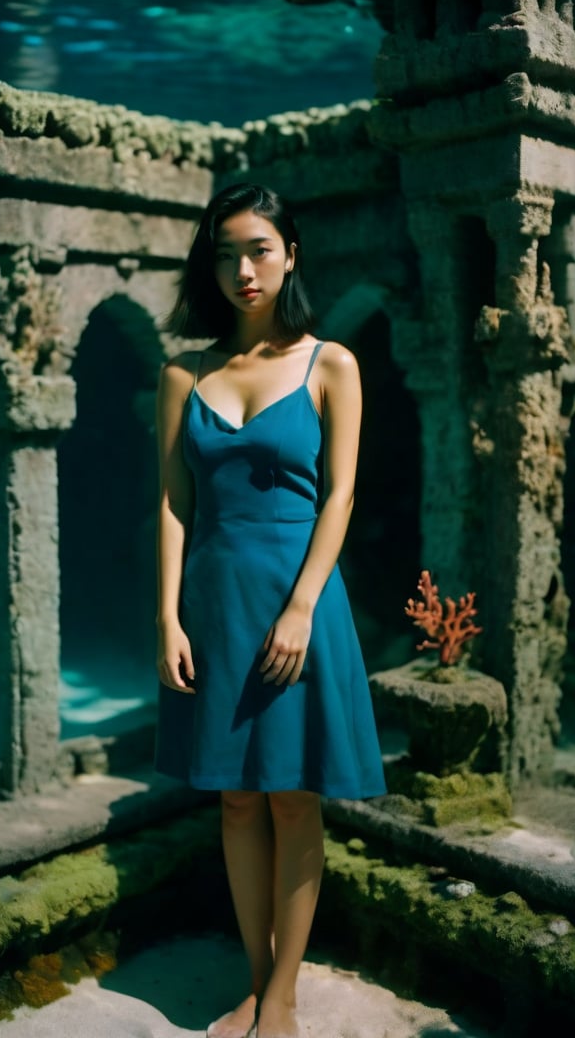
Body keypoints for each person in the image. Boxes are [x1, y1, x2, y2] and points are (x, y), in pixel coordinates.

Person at [154, 183, 386, 1038]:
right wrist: (166, 618)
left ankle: (284, 995)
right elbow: (174, 504)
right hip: (214, 602)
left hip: (301, 601)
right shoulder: (184, 373)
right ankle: (256, 978)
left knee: (293, 797)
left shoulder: (332, 363)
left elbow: (343, 495)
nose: (241, 269)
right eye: (224, 253)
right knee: (236, 801)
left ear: (291, 254)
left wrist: (300, 608)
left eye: (257, 249)